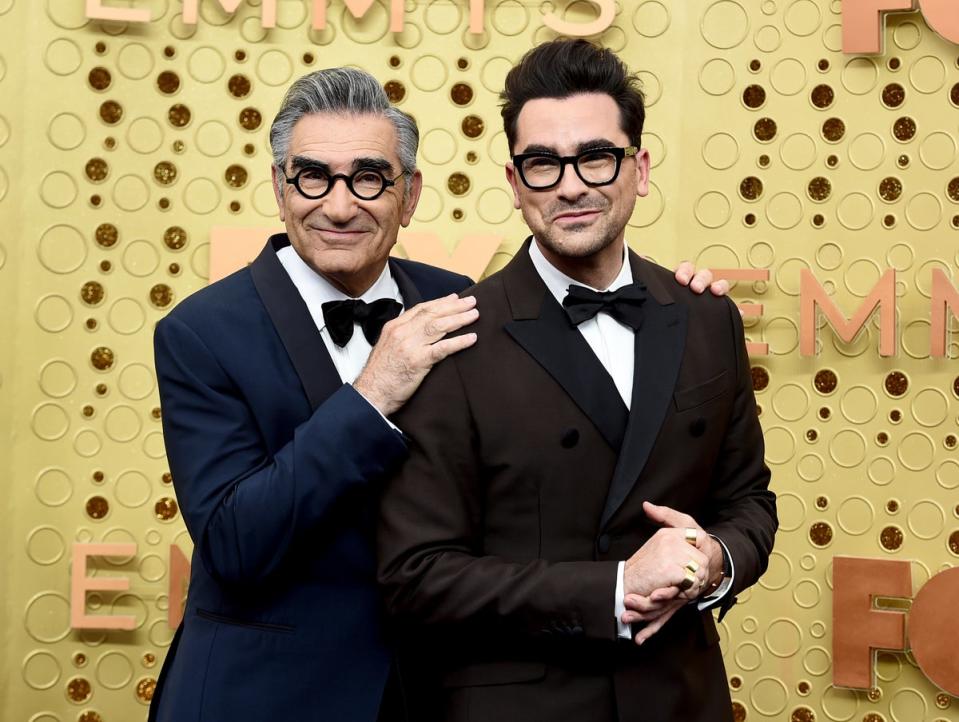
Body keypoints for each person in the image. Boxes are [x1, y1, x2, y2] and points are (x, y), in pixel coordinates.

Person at [149, 66, 726, 722]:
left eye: (369, 177)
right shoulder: (201, 332)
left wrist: (675, 303)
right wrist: (370, 395)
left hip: (450, 691)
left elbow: (586, 405)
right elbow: (233, 544)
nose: (339, 206)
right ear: (281, 188)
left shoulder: (461, 301)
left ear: (411, 194)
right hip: (268, 697)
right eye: (313, 176)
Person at [378, 39, 777, 722]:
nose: (570, 185)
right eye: (542, 164)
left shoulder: (707, 318)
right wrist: (614, 587)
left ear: (639, 167)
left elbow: (748, 503)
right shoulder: (452, 339)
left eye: (595, 156)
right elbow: (416, 575)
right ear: (513, 182)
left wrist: (713, 558)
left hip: (678, 698)